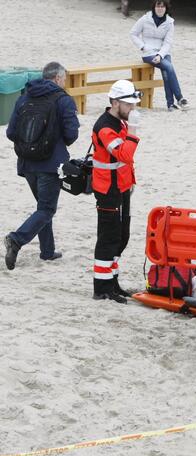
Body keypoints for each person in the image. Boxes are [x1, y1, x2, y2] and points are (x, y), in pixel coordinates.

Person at [4, 62, 79, 270]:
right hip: (51, 164)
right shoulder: (63, 100)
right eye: (63, 79)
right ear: (57, 79)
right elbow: (72, 134)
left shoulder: (24, 97)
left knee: (43, 208)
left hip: (27, 163)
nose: (64, 83)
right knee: (46, 209)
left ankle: (47, 251)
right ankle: (16, 240)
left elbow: (10, 132)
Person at [91, 80, 142, 303]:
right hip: (107, 188)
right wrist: (133, 132)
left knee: (121, 236)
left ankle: (112, 283)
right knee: (108, 238)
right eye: (128, 105)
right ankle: (101, 288)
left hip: (121, 186)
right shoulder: (105, 126)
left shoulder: (118, 121)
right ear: (114, 102)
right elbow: (124, 155)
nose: (132, 109)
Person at [130, 0, 188, 111]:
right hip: (149, 52)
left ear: (166, 8)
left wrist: (160, 55)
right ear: (154, 7)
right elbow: (133, 33)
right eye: (158, 6)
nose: (160, 8)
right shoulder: (145, 19)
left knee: (166, 74)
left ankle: (170, 105)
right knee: (169, 67)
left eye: (162, 6)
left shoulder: (170, 22)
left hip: (163, 52)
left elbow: (168, 43)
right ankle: (180, 98)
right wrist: (142, 46)